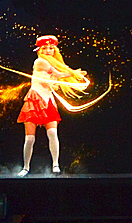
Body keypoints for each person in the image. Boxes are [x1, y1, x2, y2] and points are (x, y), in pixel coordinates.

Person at [17, 35, 88, 176]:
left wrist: (69, 76)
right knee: (30, 138)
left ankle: (56, 164)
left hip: (48, 101)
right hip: (35, 100)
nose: (48, 51)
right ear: (39, 50)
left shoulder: (54, 64)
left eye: (51, 48)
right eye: (45, 48)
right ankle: (25, 167)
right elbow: (57, 75)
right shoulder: (40, 62)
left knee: (52, 133)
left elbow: (55, 82)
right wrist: (74, 73)